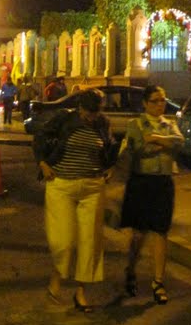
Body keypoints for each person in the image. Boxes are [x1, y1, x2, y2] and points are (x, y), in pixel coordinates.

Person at [34, 89, 116, 311]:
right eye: (89, 112)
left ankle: (81, 293)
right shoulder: (65, 118)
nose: (92, 117)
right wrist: (42, 163)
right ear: (80, 108)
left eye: (96, 112)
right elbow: (40, 135)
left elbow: (108, 148)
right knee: (64, 241)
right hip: (61, 185)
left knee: (90, 243)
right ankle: (56, 276)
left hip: (92, 187)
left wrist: (110, 167)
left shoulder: (102, 123)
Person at [116, 83, 183, 305]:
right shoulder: (135, 124)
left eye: (162, 100)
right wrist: (163, 145)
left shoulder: (169, 124)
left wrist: (155, 139)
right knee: (138, 234)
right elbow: (137, 150)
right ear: (145, 103)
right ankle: (131, 270)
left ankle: (158, 281)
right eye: (154, 100)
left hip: (163, 182)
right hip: (141, 182)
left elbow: (179, 142)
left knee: (161, 232)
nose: (159, 105)